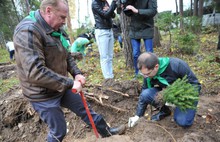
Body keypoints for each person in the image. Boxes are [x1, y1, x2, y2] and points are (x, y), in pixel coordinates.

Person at [13, 0, 125, 141]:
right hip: (41, 93)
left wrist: (76, 73)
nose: (64, 22)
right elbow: (35, 71)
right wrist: (69, 83)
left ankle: (107, 133)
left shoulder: (53, 27)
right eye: (62, 17)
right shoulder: (28, 31)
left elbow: (66, 55)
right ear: (48, 11)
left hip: (60, 85)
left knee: (85, 109)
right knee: (59, 130)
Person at [128, 52, 201, 128]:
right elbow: (144, 93)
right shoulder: (148, 74)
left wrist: (178, 96)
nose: (145, 77)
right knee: (146, 94)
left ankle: (180, 110)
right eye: (143, 74)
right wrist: (137, 116)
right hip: (167, 93)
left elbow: (195, 85)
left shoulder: (177, 65)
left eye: (147, 74)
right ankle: (165, 111)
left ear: (156, 67)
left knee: (183, 122)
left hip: (184, 95)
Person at [123, 0, 157, 78]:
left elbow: (153, 11)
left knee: (149, 53)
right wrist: (126, 9)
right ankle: (137, 73)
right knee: (135, 53)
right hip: (135, 28)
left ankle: (151, 73)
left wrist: (137, 11)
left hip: (147, 27)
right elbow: (129, 13)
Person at [92, 0, 118, 79]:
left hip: (109, 30)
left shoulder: (105, 2)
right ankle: (107, 78)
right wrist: (113, 4)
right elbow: (106, 15)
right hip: (101, 31)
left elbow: (112, 15)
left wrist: (110, 8)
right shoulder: (95, 3)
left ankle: (111, 76)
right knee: (104, 57)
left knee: (110, 56)